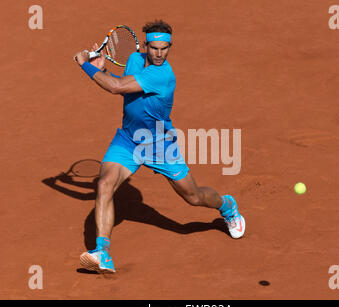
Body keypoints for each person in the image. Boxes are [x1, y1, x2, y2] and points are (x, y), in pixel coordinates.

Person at [74, 20, 245, 273]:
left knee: (194, 196)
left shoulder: (163, 75)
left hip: (159, 145)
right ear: (146, 45)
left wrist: (86, 65)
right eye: (154, 48)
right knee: (104, 184)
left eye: (165, 48)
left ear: (170, 47)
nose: (159, 53)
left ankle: (227, 206)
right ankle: (103, 252)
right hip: (129, 139)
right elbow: (125, 89)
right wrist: (104, 70)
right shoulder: (133, 59)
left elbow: (117, 87)